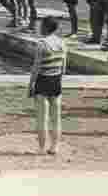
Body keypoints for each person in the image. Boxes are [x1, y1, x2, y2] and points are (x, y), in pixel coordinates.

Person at [29, 16, 67, 155]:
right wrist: (58, 81)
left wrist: (31, 84)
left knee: (42, 117)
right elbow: (63, 68)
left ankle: (41, 148)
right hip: (56, 81)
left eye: (41, 25)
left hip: (42, 81)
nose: (39, 27)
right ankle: (54, 147)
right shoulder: (62, 43)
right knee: (56, 117)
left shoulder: (41, 44)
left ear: (45, 27)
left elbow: (36, 67)